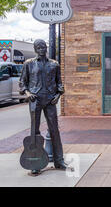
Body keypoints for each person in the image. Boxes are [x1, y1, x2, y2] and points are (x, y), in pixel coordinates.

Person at [19, 39, 68, 173]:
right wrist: (28, 93)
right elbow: (22, 82)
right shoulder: (28, 64)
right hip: (35, 99)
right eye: (38, 47)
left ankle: (59, 160)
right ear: (35, 49)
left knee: (54, 130)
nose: (41, 49)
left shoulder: (54, 64)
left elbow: (60, 84)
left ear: (46, 48)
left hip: (50, 99)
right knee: (34, 131)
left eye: (43, 46)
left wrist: (57, 96)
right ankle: (35, 163)